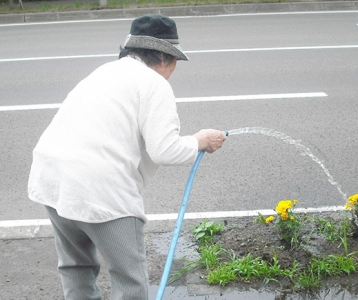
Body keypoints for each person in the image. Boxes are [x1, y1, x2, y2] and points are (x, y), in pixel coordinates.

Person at [28, 14, 226, 300]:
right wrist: (200, 140)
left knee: (76, 267)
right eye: (173, 63)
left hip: (52, 180)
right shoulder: (154, 84)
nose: (172, 71)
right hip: (101, 189)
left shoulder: (104, 71)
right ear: (162, 57)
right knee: (130, 281)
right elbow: (165, 149)